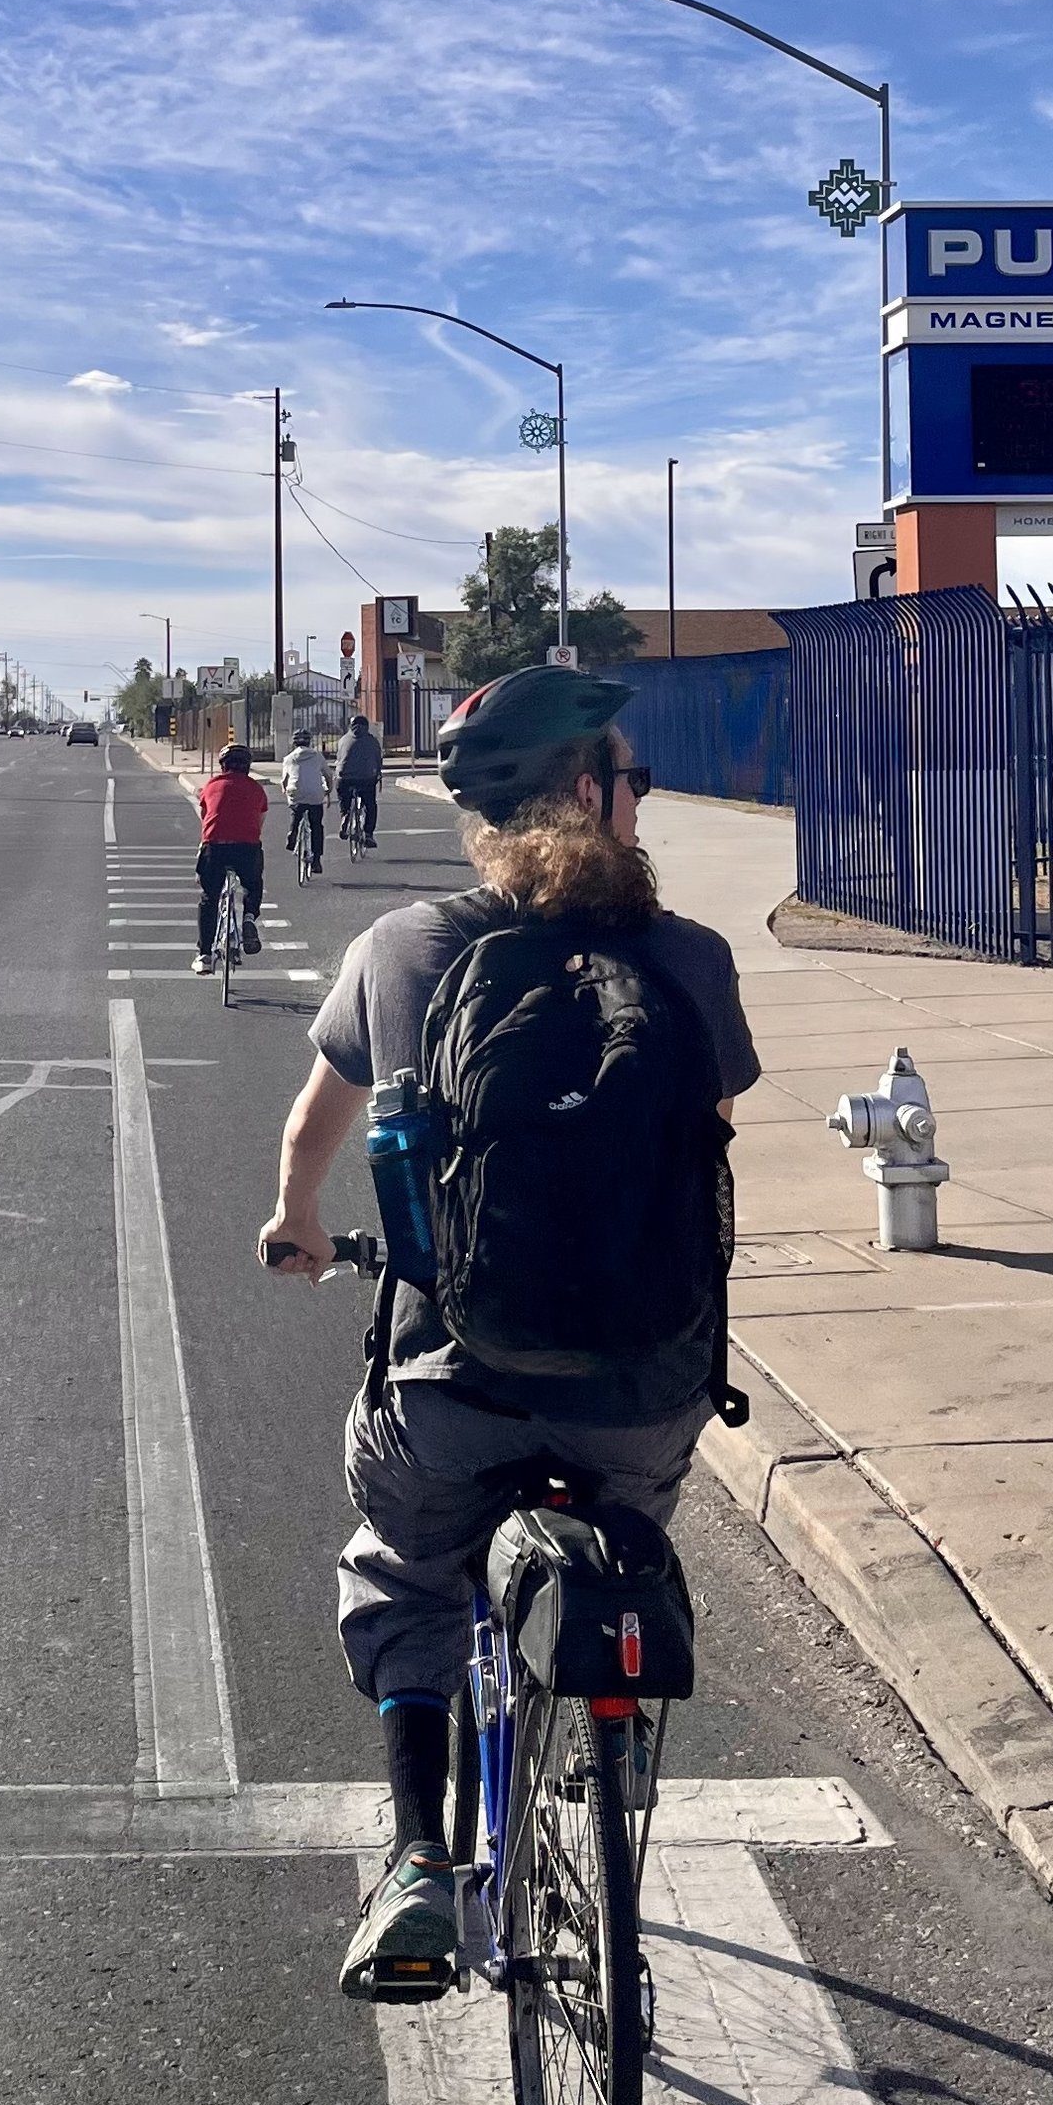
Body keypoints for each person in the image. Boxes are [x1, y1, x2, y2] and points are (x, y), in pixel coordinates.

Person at [258, 667, 759, 2001]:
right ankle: (617, 1731)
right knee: (636, 1515)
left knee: (406, 1569)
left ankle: (422, 1857)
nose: (642, 801)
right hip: (646, 1384)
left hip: (451, 1384)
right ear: (592, 793)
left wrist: (298, 1222)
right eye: (633, 781)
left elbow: (318, 1127)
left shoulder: (403, 948)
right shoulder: (691, 957)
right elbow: (707, 1143)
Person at [191, 743, 267, 971]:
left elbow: (206, 819)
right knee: (253, 885)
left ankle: (204, 955)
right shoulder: (256, 789)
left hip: (215, 848)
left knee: (209, 898)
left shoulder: (212, 786)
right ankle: (249, 918)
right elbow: (259, 824)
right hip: (246, 849)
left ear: (223, 766)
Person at [280, 728, 330, 873]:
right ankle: (316, 861)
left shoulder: (289, 758)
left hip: (296, 793)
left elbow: (284, 780)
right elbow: (327, 775)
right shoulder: (317, 756)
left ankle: (293, 831)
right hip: (315, 794)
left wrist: (285, 791)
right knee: (316, 826)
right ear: (309, 742)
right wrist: (328, 791)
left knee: (296, 809)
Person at [335, 710, 383, 850]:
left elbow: (339, 759)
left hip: (345, 778)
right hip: (366, 778)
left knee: (344, 799)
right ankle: (368, 834)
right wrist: (378, 773)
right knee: (370, 805)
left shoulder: (343, 740)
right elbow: (378, 760)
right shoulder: (372, 740)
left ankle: (345, 815)